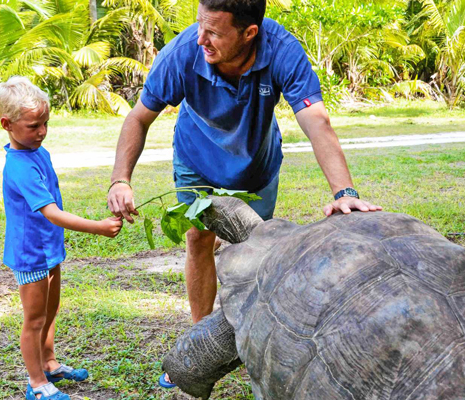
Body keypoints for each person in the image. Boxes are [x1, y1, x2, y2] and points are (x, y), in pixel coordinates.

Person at [106, 0, 382, 387]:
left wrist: (345, 191)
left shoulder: (282, 51)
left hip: (256, 166)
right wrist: (121, 179)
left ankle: (257, 342)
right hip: (196, 161)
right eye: (200, 25)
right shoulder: (185, 51)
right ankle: (199, 345)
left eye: (215, 32)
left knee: (256, 249)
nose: (200, 38)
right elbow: (138, 117)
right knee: (199, 239)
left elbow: (317, 122)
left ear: (250, 32)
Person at [0, 76, 124, 400]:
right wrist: (98, 227)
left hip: (48, 247)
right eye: (33, 126)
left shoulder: (39, 153)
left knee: (50, 313)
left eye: (45, 123)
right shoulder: (20, 166)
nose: (41, 132)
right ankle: (37, 383)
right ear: (7, 124)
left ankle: (50, 363)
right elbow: (51, 213)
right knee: (34, 320)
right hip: (30, 254)